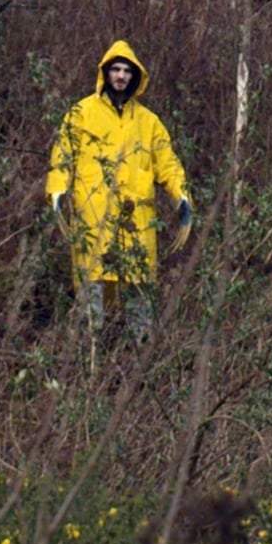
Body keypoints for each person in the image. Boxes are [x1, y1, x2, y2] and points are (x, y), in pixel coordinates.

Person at [46, 39, 193, 339]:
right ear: (106, 73)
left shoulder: (149, 122)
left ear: (135, 77)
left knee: (139, 293)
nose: (121, 76)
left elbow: (167, 163)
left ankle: (138, 360)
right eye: (116, 69)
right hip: (94, 220)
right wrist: (58, 193)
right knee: (92, 290)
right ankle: (90, 361)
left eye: (127, 70)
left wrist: (182, 199)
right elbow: (63, 157)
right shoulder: (81, 113)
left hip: (136, 223)